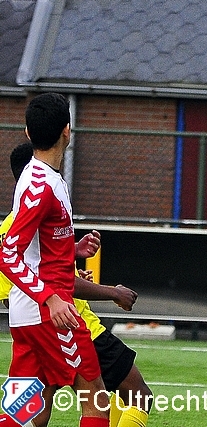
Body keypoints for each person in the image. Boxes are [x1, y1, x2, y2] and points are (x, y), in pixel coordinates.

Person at [0, 141, 154, 427]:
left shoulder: (11, 225)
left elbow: (18, 285)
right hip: (68, 324)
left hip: (30, 325)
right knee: (119, 399)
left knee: (28, 413)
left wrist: (72, 254)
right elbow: (48, 277)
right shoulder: (45, 196)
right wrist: (112, 292)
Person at [0, 93, 109, 427]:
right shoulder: (42, 186)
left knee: (25, 411)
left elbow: (34, 246)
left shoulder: (40, 177)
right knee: (97, 401)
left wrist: (71, 250)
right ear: (68, 131)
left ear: (29, 134)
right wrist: (50, 298)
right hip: (48, 314)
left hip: (28, 313)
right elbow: (7, 253)